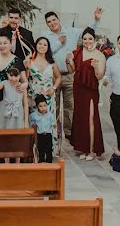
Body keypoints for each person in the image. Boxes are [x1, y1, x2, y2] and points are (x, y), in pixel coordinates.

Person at [39, 7, 102, 139]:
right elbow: (45, 51)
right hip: (52, 76)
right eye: (49, 21)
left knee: (70, 105)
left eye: (54, 20)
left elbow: (88, 33)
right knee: (53, 105)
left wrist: (96, 19)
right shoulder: (45, 36)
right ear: (47, 24)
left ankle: (69, 132)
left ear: (58, 19)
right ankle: (54, 131)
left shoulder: (71, 31)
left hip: (69, 75)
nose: (52, 23)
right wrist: (58, 42)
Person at [67, 28, 106, 160]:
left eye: (90, 39)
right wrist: (69, 61)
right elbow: (72, 70)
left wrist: (95, 67)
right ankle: (82, 148)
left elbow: (100, 76)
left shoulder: (99, 55)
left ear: (94, 40)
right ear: (82, 40)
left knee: (91, 117)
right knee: (80, 117)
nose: (87, 41)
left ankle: (92, 150)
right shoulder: (77, 52)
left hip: (91, 90)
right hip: (78, 88)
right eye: (85, 39)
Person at [25, 36, 61, 157]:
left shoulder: (52, 62)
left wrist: (54, 88)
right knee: (35, 122)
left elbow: (58, 77)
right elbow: (25, 77)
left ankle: (50, 150)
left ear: (48, 47)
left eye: (45, 45)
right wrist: (27, 68)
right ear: (36, 45)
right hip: (34, 95)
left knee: (48, 122)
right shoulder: (30, 60)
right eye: (40, 44)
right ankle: (35, 150)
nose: (42, 46)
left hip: (48, 97)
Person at [0, 67, 29, 152]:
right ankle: (6, 160)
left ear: (19, 76)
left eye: (16, 76)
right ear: (7, 75)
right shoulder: (5, 83)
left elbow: (25, 104)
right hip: (5, 113)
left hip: (17, 114)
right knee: (6, 136)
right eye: (11, 76)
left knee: (17, 137)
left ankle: (17, 161)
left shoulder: (22, 87)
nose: (13, 78)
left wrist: (25, 122)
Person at [31, 95, 56, 163]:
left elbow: (53, 122)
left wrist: (54, 125)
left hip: (48, 134)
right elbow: (32, 123)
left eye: (44, 105)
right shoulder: (34, 115)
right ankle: (41, 161)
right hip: (39, 135)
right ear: (37, 107)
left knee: (49, 149)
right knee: (40, 149)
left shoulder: (50, 115)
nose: (43, 108)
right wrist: (33, 125)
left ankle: (49, 162)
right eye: (40, 106)